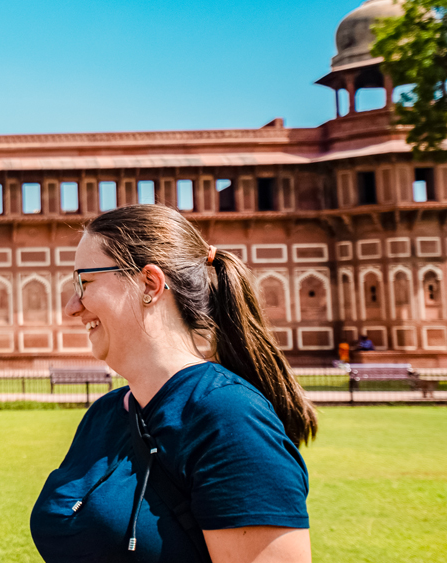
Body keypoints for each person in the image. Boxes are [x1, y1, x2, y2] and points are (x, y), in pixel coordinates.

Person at [30, 205, 316, 563]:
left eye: (84, 283)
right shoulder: (105, 415)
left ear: (149, 284)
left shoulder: (229, 420)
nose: (72, 307)